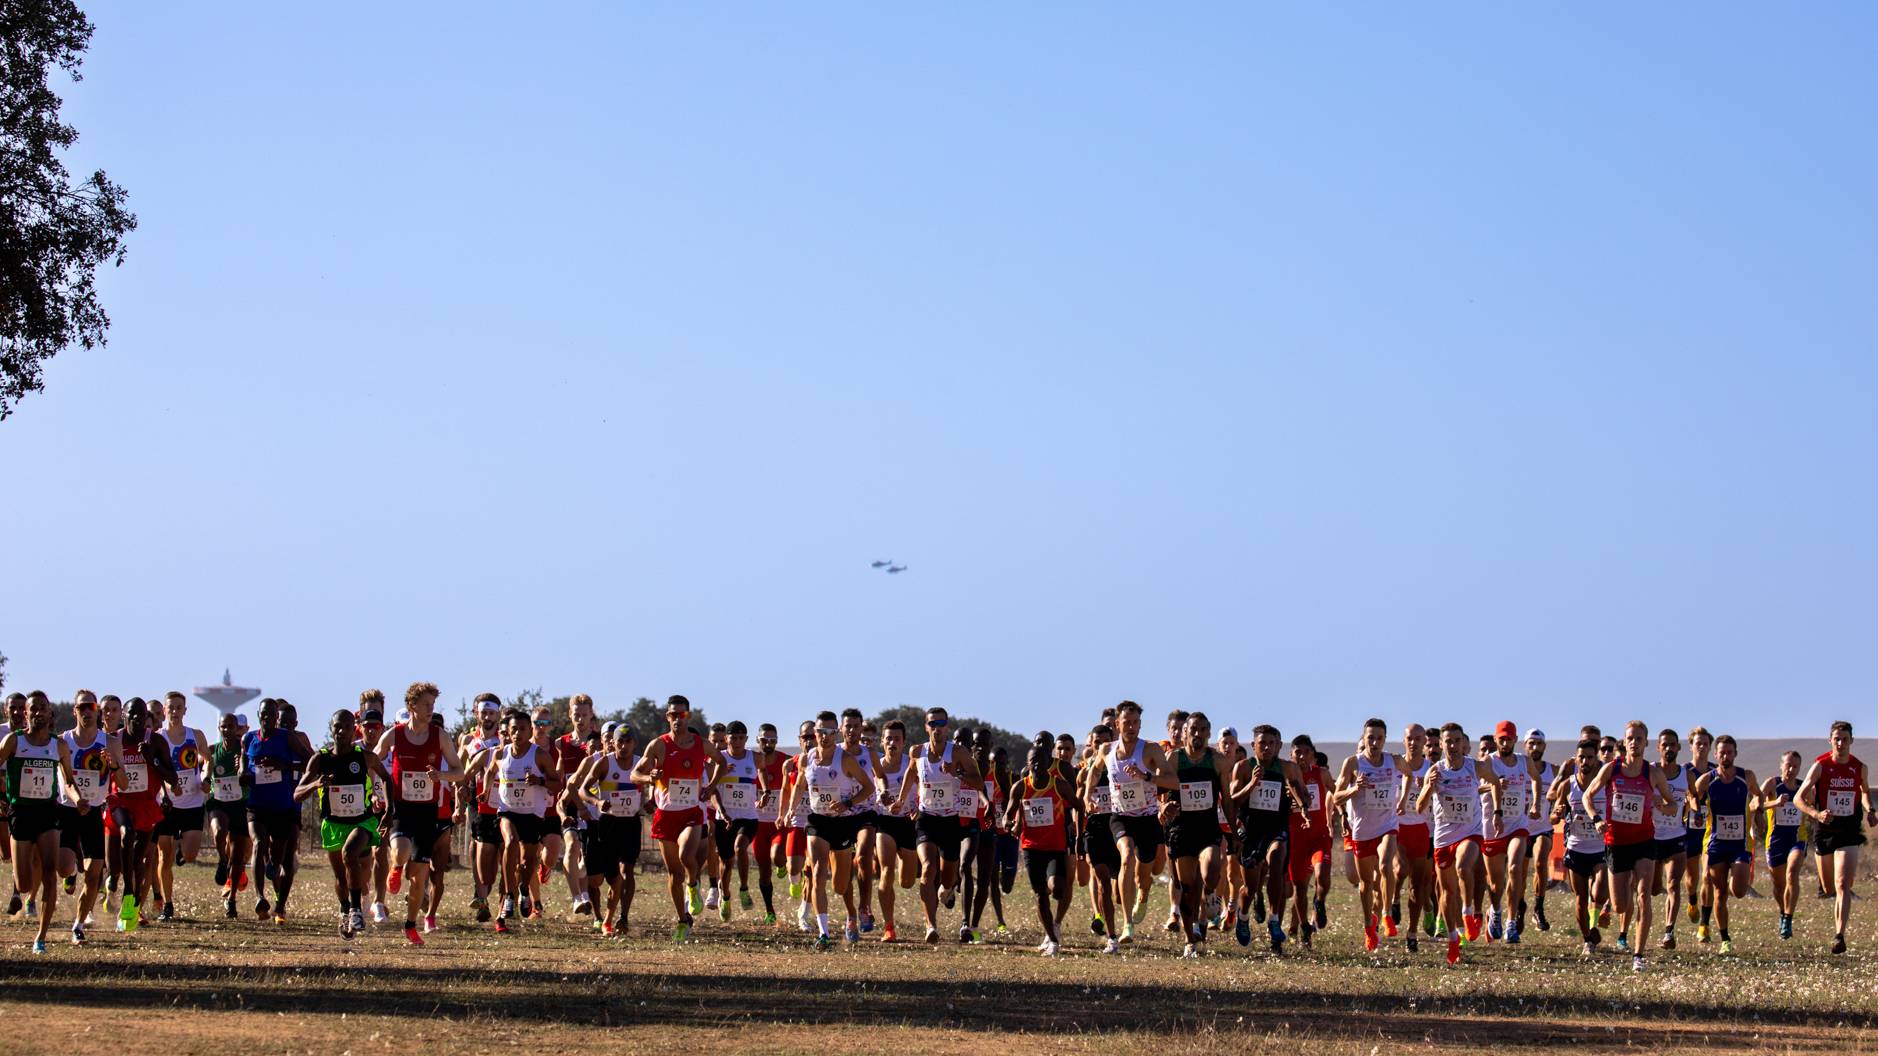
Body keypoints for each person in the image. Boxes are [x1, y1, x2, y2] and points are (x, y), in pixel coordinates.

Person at [370, 683, 468, 944]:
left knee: (419, 879)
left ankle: (411, 925)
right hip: (401, 808)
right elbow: (372, 760)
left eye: (433, 705)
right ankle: (395, 866)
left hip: (428, 812)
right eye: (426, 704)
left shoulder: (440, 736)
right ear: (411, 705)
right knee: (401, 850)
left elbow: (460, 772)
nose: (430, 709)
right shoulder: (395, 735)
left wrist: (442, 776)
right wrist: (374, 790)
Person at [1582, 719, 1677, 971]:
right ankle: (1611, 908)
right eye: (1630, 739)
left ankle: (1638, 956)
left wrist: (1661, 806)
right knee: (1620, 905)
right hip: (1616, 843)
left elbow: (1673, 805)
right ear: (1625, 743)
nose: (1634, 743)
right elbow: (1587, 795)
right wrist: (1596, 818)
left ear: (1646, 743)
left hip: (1645, 841)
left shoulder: (1653, 773)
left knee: (1644, 895)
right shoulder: (1611, 770)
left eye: (1639, 739)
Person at [631, 695, 725, 942]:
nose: (677, 719)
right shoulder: (658, 746)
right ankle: (682, 920)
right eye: (673, 715)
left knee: (686, 855)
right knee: (673, 874)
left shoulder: (701, 744)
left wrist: (711, 786)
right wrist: (649, 777)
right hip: (666, 815)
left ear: (688, 716)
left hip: (692, 812)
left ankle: (693, 885)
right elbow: (634, 774)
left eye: (682, 715)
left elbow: (722, 762)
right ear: (667, 717)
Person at [293, 709, 392, 939]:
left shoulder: (364, 756)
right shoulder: (321, 759)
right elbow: (297, 794)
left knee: (350, 854)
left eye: (346, 727)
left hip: (363, 821)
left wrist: (389, 810)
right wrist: (316, 784)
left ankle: (356, 909)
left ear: (353, 729)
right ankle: (345, 909)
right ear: (331, 728)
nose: (341, 731)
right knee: (340, 877)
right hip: (333, 823)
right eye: (337, 726)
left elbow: (386, 778)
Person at [785, 710, 876, 949]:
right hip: (818, 821)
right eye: (820, 732)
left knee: (840, 884)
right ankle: (823, 933)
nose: (824, 737)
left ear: (836, 733)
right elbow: (800, 786)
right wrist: (790, 810)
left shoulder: (845, 759)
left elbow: (868, 788)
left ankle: (853, 913)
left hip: (843, 822)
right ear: (814, 733)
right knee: (817, 872)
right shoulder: (807, 758)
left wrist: (847, 804)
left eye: (829, 732)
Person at [892, 705, 981, 944]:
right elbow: (911, 774)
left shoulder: (959, 753)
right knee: (928, 868)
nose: (937, 729)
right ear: (926, 727)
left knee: (948, 878)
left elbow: (979, 782)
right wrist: (901, 801)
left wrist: (957, 773)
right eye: (933, 724)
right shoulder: (917, 752)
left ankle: (947, 888)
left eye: (941, 724)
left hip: (950, 821)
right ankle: (931, 926)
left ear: (947, 727)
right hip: (926, 818)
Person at [1087, 701, 1175, 940]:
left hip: (1147, 818)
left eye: (1136, 722)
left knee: (1145, 873)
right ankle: (1127, 924)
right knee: (1126, 856)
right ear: (1117, 724)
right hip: (1120, 817)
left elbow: (1173, 781)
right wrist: (1087, 796)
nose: (1132, 727)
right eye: (1127, 722)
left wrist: (1146, 776)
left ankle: (1143, 896)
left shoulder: (1151, 750)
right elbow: (1093, 771)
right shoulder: (1106, 750)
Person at [1415, 722, 1499, 965]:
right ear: (1441, 745)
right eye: (1447, 741)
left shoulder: (1475, 767)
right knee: (1447, 892)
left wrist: (1498, 812)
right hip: (1443, 836)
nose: (1452, 746)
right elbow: (1420, 808)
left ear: (1463, 743)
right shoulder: (1435, 771)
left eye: (1456, 741)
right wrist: (1429, 787)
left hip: (1470, 831)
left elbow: (1494, 782)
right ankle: (1453, 937)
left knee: (1464, 866)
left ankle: (1469, 912)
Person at [1, 691, 79, 952]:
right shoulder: (14, 741)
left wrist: (78, 799)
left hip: (47, 813)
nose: (37, 713)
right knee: (23, 884)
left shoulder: (58, 746)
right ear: (26, 714)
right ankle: (25, 890)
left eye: (42, 708)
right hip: (20, 813)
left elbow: (68, 780)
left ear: (50, 714)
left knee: (49, 871)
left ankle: (41, 937)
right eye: (32, 709)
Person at [1228, 724, 1309, 953]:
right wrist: (1252, 785)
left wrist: (1298, 801)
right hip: (1252, 831)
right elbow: (1232, 801)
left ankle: (1274, 919)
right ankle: (1243, 917)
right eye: (1262, 743)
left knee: (1277, 858)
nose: (1267, 747)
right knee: (1250, 888)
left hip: (1277, 827)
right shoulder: (1243, 768)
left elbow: (1304, 798)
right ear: (1253, 746)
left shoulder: (1289, 769)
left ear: (1278, 746)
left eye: (1272, 743)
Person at [1795, 720, 1874, 954]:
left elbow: (1865, 792)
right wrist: (1816, 814)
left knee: (1842, 885)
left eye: (1845, 739)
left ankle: (1839, 935)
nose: (1841, 743)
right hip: (1825, 832)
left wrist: (1870, 811)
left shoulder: (1859, 768)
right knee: (1829, 888)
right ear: (1830, 741)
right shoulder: (1820, 766)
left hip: (1849, 832)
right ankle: (1828, 891)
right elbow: (1799, 798)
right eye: (1836, 739)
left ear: (1852, 741)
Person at [485, 706, 563, 933]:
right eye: (513, 730)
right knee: (509, 843)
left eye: (522, 729)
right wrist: (486, 789)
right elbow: (491, 771)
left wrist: (540, 782)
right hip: (507, 810)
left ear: (530, 731)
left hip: (532, 813)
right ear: (507, 732)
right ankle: (509, 895)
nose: (517, 733)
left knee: (528, 861)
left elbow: (557, 783)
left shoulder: (540, 755)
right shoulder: (501, 753)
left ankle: (523, 890)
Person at [1164, 712, 1232, 957]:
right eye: (1193, 729)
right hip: (1181, 830)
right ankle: (1189, 940)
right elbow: (1161, 792)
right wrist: (1163, 808)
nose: (1198, 734)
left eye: (1203, 729)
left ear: (1209, 733)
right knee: (1187, 887)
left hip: (1207, 829)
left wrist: (1234, 829)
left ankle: (1211, 895)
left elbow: (1227, 798)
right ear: (1185, 733)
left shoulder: (1218, 761)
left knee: (1212, 870)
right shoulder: (1174, 759)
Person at [110, 697, 181, 931]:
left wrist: (152, 759)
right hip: (120, 800)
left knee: (141, 860)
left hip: (147, 803)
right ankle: (128, 891)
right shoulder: (114, 740)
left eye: (141, 715)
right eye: (132, 714)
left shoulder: (157, 741)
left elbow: (172, 778)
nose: (137, 718)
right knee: (126, 833)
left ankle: (131, 904)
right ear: (124, 716)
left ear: (148, 719)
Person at [1333, 718, 1401, 953]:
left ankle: (1386, 913)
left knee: (1386, 865)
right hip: (1362, 829)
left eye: (1379, 738)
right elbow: (1336, 797)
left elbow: (1413, 770)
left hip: (1388, 824)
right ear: (1364, 739)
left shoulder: (1393, 761)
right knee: (1365, 883)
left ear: (1385, 739)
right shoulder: (1353, 763)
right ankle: (1368, 925)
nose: (1375, 742)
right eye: (1370, 737)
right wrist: (1354, 789)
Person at [571, 723, 646, 936]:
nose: (623, 746)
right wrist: (596, 802)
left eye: (627, 741)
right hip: (607, 825)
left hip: (630, 824)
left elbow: (658, 785)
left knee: (626, 871)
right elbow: (584, 790)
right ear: (612, 743)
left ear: (634, 743)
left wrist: (650, 804)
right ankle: (602, 916)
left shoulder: (641, 763)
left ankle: (617, 918)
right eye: (619, 741)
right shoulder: (604, 763)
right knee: (600, 879)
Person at [1689, 734, 1758, 955]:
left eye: (1729, 752)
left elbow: (1757, 795)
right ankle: (1725, 938)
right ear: (1715, 755)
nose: (1725, 756)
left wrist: (1759, 814)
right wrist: (1695, 811)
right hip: (1716, 842)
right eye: (1721, 752)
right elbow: (1693, 796)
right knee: (1718, 892)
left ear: (1735, 754)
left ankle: (1733, 879)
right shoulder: (1707, 780)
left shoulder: (1745, 776)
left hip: (1739, 844)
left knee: (1737, 890)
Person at [1005, 741, 1074, 956]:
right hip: (1031, 848)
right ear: (1027, 764)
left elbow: (1078, 805)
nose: (1037, 764)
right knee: (1040, 895)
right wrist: (1009, 824)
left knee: (1058, 888)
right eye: (1032, 761)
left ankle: (1052, 926)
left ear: (1048, 763)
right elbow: (1008, 813)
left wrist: (1077, 830)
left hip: (1055, 847)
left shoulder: (1059, 785)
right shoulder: (1021, 787)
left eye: (1041, 761)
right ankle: (1052, 940)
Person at [243, 697, 307, 925]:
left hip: (286, 805)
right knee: (259, 844)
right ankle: (260, 898)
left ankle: (281, 904)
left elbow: (311, 761)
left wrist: (286, 766)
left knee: (283, 859)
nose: (268, 719)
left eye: (272, 715)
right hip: (257, 805)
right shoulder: (249, 738)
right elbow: (244, 764)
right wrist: (245, 775)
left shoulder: (290, 738)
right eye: (265, 715)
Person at [57, 690, 113, 943]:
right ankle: (70, 870)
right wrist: (77, 797)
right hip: (68, 809)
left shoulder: (109, 742)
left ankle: (78, 925)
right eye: (82, 707)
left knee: (93, 874)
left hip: (93, 812)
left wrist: (113, 765)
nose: (87, 711)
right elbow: (65, 778)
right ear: (75, 711)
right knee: (64, 867)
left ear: (97, 710)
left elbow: (121, 781)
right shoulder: (63, 741)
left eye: (91, 706)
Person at [1479, 720, 1542, 944]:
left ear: (1515, 740)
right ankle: (1495, 911)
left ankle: (1511, 922)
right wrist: (1493, 785)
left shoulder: (1524, 762)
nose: (1505, 743)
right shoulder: (1487, 761)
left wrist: (1535, 803)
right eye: (1501, 739)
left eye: (1509, 739)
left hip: (1517, 824)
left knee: (1515, 869)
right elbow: (1474, 787)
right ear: (1496, 740)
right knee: (1495, 882)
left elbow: (1536, 780)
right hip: (1493, 826)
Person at [148, 691, 208, 923]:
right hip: (167, 806)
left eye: (178, 707)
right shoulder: (157, 737)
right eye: (170, 707)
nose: (174, 711)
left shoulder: (195, 736)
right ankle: (168, 905)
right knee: (164, 856)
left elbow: (208, 760)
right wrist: (164, 791)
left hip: (192, 802)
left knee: (191, 855)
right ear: (164, 711)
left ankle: (183, 848)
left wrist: (205, 778)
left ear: (185, 710)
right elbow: (153, 771)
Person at [1549, 736, 1609, 956]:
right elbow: (1554, 817)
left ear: (1596, 760)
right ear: (1576, 759)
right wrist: (1556, 814)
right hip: (1576, 847)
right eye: (1581, 758)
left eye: (1590, 758)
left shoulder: (1604, 784)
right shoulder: (1567, 786)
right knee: (1580, 898)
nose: (1585, 762)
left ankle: (1596, 919)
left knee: (1600, 890)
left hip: (1600, 847)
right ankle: (1588, 938)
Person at [710, 719, 765, 922]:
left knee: (740, 848)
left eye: (742, 738)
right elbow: (712, 789)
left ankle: (743, 888)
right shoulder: (719, 760)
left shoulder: (755, 757)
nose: (738, 741)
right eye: (733, 738)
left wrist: (765, 791)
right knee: (725, 863)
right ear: (726, 739)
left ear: (747, 739)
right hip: (724, 818)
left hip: (748, 816)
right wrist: (722, 810)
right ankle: (725, 897)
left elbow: (763, 772)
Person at [457, 694, 505, 922]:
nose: (487, 717)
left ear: (499, 714)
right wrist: (461, 796)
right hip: (476, 800)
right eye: (483, 713)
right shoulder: (468, 740)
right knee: (478, 845)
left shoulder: (504, 739)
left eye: (491, 713)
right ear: (476, 713)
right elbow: (458, 768)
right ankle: (481, 895)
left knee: (495, 852)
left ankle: (488, 888)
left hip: (501, 799)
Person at [871, 719, 919, 941]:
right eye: (888, 739)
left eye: (896, 739)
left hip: (908, 823)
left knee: (907, 882)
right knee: (886, 871)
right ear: (882, 742)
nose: (892, 743)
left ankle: (904, 864)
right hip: (885, 822)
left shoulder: (913, 766)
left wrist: (919, 809)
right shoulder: (875, 766)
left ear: (903, 742)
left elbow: (925, 791)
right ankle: (888, 926)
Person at [552, 694, 599, 919]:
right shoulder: (561, 743)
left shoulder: (600, 741)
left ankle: (585, 893)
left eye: (584, 714)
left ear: (591, 715)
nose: (580, 719)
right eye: (576, 714)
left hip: (593, 804)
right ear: (570, 715)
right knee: (571, 847)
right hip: (570, 804)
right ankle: (577, 897)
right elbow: (560, 772)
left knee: (586, 859)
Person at [1078, 724, 1123, 952]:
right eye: (1097, 742)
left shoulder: (1118, 767)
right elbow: (1078, 804)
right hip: (1094, 831)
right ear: (1092, 743)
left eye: (1105, 741)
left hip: (1115, 828)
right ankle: (1112, 937)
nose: (1101, 746)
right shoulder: (1086, 772)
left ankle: (1120, 926)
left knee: (1117, 894)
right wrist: (1077, 838)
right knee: (1103, 882)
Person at [1286, 735, 1334, 947]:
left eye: (1306, 752)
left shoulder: (1321, 774)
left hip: (1319, 837)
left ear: (1313, 756)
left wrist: (1344, 812)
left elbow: (1336, 791)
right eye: (1298, 752)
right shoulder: (1286, 778)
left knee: (1322, 873)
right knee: (1300, 888)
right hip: (1296, 840)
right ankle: (1304, 925)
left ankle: (1320, 902)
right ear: (1291, 755)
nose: (1302, 756)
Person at [1391, 722, 1435, 951]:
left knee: (1418, 887)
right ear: (1403, 739)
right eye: (1410, 738)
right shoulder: (1394, 765)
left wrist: (1427, 788)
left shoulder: (1431, 768)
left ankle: (1412, 933)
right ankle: (1394, 897)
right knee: (1400, 869)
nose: (1414, 743)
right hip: (1397, 827)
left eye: (1419, 739)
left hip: (1421, 828)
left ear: (1424, 742)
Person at [1648, 727, 1691, 951]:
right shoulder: (1651, 770)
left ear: (1678, 747)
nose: (1668, 748)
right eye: (1664, 745)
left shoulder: (1686, 774)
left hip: (1676, 835)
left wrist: (1696, 807)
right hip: (1652, 836)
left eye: (1672, 744)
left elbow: (1695, 795)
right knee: (1653, 889)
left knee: (1674, 884)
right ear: (1658, 748)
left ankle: (1669, 931)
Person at [204, 712, 249, 918]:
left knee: (239, 856)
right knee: (219, 831)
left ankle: (231, 900)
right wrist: (205, 777)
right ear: (219, 728)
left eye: (230, 726)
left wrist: (244, 769)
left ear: (236, 728)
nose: (226, 730)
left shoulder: (245, 749)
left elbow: (253, 774)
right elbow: (202, 765)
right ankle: (222, 861)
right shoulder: (213, 751)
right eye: (223, 726)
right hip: (219, 802)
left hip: (240, 804)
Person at [1761, 750, 1809, 940]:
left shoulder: (1803, 786)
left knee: (1792, 873)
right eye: (1788, 765)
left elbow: (1812, 805)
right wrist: (1774, 803)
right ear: (1781, 765)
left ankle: (1788, 918)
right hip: (1775, 841)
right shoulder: (1773, 783)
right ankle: (1783, 912)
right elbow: (1754, 804)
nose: (1791, 769)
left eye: (1795, 766)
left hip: (1797, 839)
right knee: (1779, 885)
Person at [1519, 729, 1555, 935]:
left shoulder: (1552, 770)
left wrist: (1559, 804)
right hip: (1521, 829)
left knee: (1541, 860)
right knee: (1520, 874)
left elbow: (1568, 786)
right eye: (1531, 743)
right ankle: (1520, 906)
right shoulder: (1518, 770)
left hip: (1543, 827)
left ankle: (1539, 907)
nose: (1535, 748)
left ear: (1544, 747)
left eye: (1539, 744)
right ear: (1525, 746)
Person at [750, 723, 786, 925]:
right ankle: (769, 910)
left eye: (772, 740)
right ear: (758, 740)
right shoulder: (751, 762)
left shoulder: (785, 762)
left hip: (778, 823)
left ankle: (783, 864)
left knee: (778, 856)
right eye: (764, 740)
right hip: (758, 825)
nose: (768, 744)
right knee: (764, 873)